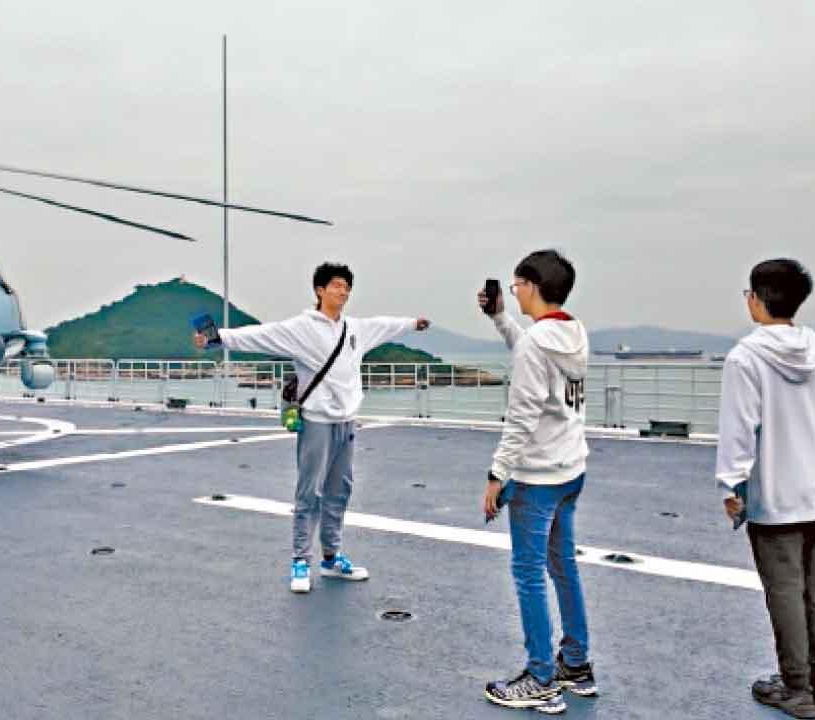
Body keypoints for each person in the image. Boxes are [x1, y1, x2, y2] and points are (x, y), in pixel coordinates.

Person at [194, 261, 429, 593]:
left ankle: (331, 558)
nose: (343, 291)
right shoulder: (301, 329)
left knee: (340, 490)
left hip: (346, 422)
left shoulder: (355, 329)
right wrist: (217, 338)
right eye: (336, 285)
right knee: (309, 492)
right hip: (317, 422)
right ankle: (300, 561)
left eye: (347, 286)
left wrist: (412, 324)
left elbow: (384, 325)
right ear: (320, 290)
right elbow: (261, 335)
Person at [716, 258, 815, 719]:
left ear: (756, 300)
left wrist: (731, 485)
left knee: (785, 592)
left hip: (778, 494)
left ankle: (796, 688)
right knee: (814, 592)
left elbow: (738, 430)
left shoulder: (745, 358)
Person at [477, 250, 596, 714]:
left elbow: (521, 419)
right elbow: (531, 352)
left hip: (538, 477)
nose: (514, 293)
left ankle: (541, 677)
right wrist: (499, 318)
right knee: (563, 567)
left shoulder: (536, 344)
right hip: (570, 471)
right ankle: (576, 665)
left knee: (528, 574)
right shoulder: (573, 332)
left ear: (532, 286)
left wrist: (496, 475)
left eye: (516, 286)